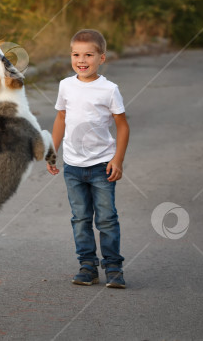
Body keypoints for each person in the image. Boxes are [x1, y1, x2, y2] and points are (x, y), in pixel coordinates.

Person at [46, 29, 130, 289]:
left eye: (89, 55)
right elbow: (61, 118)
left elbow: (123, 126)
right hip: (73, 167)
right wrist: (52, 150)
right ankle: (87, 266)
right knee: (80, 218)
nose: (82, 60)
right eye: (76, 54)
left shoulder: (109, 90)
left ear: (101, 58)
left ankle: (114, 268)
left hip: (101, 166)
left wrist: (117, 159)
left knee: (106, 218)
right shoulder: (66, 86)